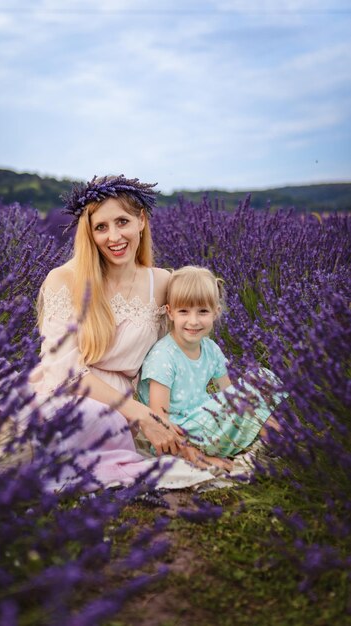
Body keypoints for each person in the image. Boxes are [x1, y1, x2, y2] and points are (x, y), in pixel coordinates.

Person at [28, 176, 222, 491]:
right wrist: (139, 414)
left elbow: (176, 351)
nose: (114, 236)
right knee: (86, 418)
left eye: (122, 222)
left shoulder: (160, 283)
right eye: (101, 227)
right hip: (71, 396)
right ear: (88, 233)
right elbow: (64, 372)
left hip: (132, 404)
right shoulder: (63, 280)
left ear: (141, 221)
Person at [137, 266, 284, 470]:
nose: (194, 321)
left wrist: (245, 409)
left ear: (216, 312)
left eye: (203, 311)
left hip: (208, 425)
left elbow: (229, 394)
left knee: (261, 377)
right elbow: (159, 420)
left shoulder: (211, 349)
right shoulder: (163, 356)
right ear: (170, 312)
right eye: (184, 311)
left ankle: (278, 440)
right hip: (181, 436)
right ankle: (281, 443)